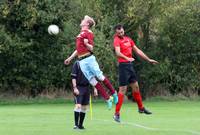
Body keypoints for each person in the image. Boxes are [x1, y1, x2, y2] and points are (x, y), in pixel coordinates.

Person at [64, 15, 118, 109]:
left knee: (100, 76)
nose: (81, 20)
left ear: (87, 23)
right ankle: (107, 99)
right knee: (93, 81)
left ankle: (114, 93)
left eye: (83, 20)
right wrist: (70, 58)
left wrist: (87, 44)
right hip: (81, 61)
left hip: (89, 59)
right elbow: (78, 49)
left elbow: (91, 48)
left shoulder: (88, 32)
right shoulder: (80, 33)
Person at [113, 24, 159, 122]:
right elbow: (117, 53)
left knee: (136, 87)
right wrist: (127, 58)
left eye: (122, 31)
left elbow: (137, 50)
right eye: (118, 32)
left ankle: (141, 108)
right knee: (122, 90)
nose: (121, 33)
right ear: (116, 33)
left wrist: (148, 59)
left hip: (130, 66)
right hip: (123, 66)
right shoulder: (116, 40)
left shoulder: (129, 39)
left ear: (123, 30)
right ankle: (116, 114)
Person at [72, 61, 98, 129]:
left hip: (87, 87)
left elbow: (92, 77)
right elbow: (73, 77)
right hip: (79, 87)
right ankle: (76, 125)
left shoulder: (89, 63)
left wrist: (95, 88)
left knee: (84, 107)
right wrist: (75, 88)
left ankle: (80, 125)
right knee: (78, 106)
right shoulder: (77, 64)